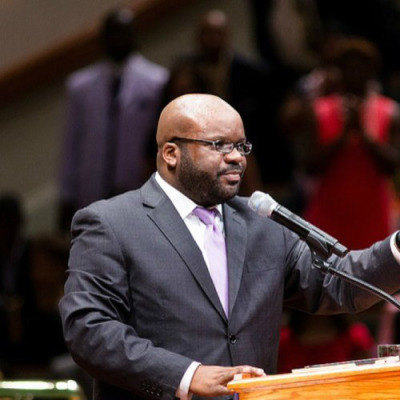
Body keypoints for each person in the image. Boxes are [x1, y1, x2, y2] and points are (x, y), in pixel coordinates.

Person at [59, 94, 400, 400]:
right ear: (171, 153)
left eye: (241, 146)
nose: (237, 157)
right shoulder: (112, 223)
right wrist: (187, 375)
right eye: (220, 145)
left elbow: (340, 284)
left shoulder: (263, 224)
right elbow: (89, 329)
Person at [59, 6, 169, 232]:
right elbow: (72, 144)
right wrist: (66, 194)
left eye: (124, 32)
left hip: (139, 187)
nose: (119, 39)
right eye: (113, 33)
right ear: (103, 38)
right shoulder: (80, 86)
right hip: (92, 189)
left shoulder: (157, 81)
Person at [301, 37, 400, 250]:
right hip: (329, 215)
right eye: (349, 67)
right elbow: (309, 166)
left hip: (374, 215)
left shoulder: (389, 110)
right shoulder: (319, 110)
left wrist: (364, 134)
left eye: (362, 67)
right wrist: (343, 136)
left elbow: (391, 165)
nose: (355, 72)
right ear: (339, 71)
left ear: (372, 71)